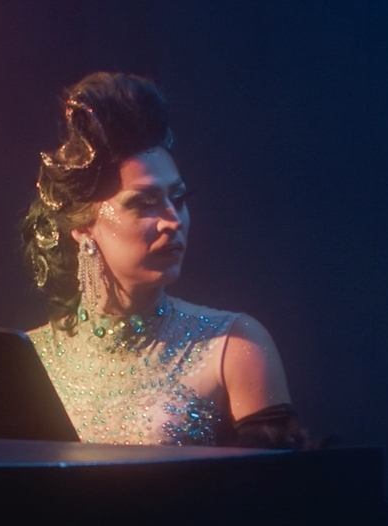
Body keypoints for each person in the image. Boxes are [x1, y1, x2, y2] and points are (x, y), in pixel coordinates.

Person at [21, 72, 307, 449]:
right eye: (144, 203)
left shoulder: (233, 345)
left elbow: (277, 487)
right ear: (83, 227)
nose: (173, 220)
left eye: (179, 198)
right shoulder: (30, 359)